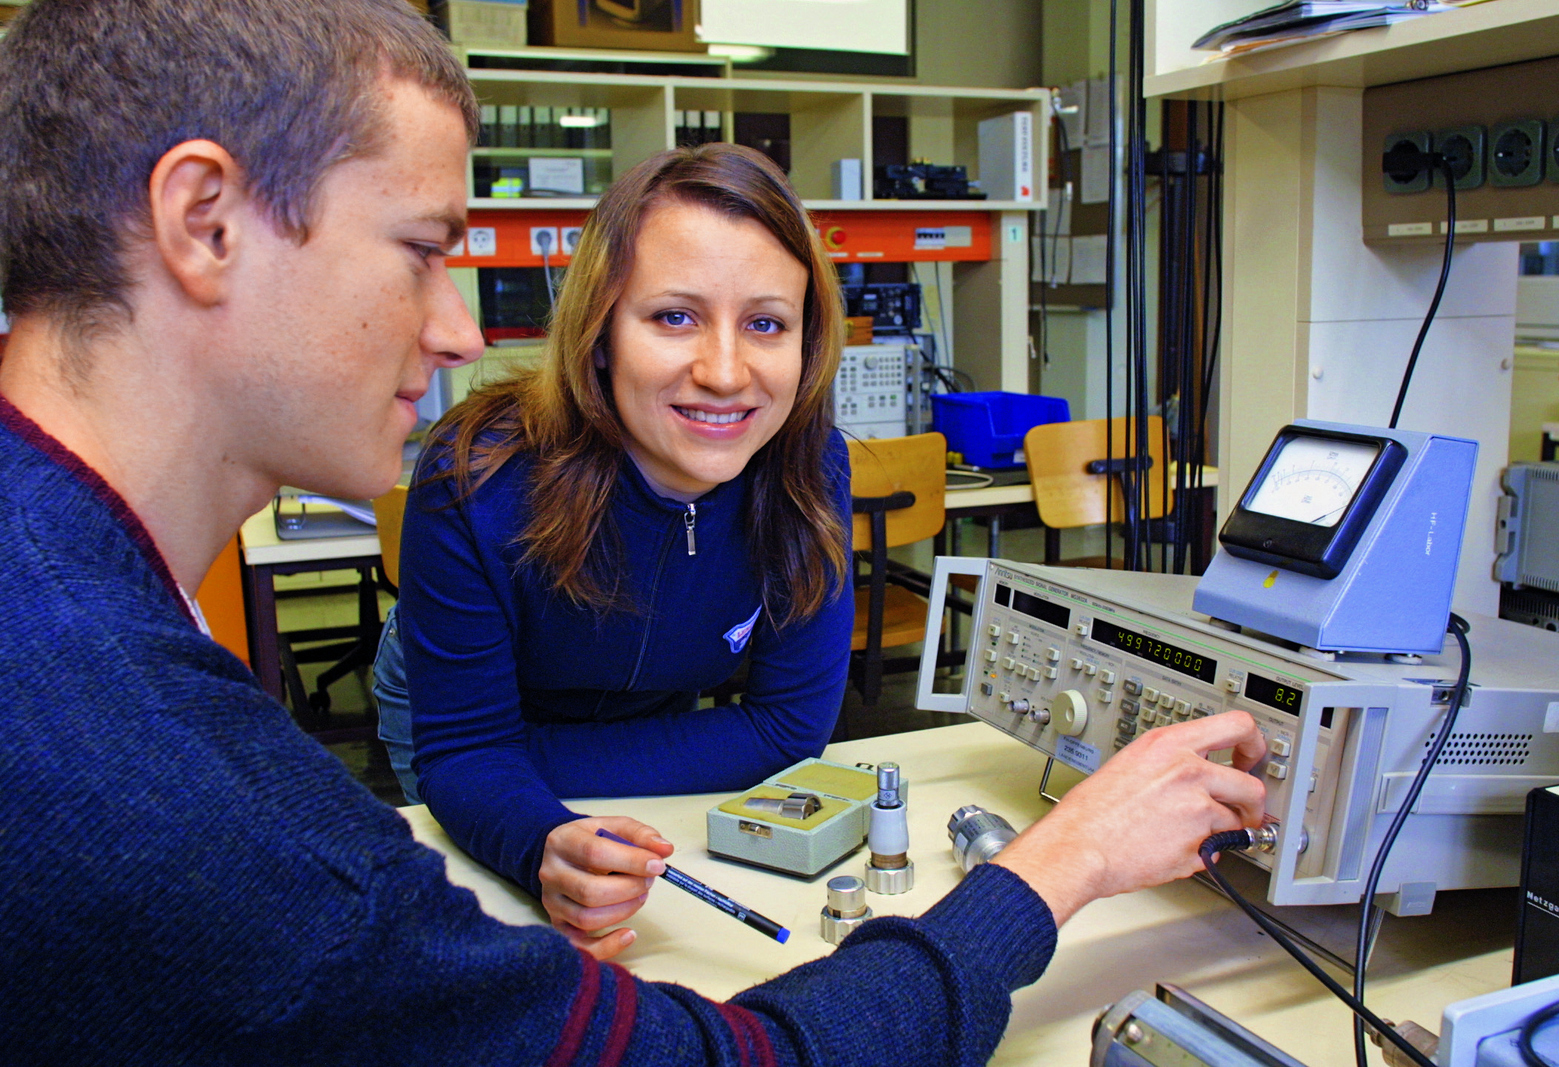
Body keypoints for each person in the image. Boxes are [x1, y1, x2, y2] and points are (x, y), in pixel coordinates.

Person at [0, 0, 1267, 1062]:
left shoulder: (73, 613)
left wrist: (531, 773)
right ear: (203, 221)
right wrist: (1065, 860)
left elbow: (779, 726)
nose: (453, 331)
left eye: (767, 325)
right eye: (422, 251)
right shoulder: (190, 795)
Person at [371, 142, 855, 959]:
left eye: (767, 323)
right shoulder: (477, 474)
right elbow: (455, 745)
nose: (726, 371)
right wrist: (527, 827)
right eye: (675, 316)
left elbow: (786, 729)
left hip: (615, 712)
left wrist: (502, 761)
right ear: (600, 333)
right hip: (455, 704)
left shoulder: (809, 467)